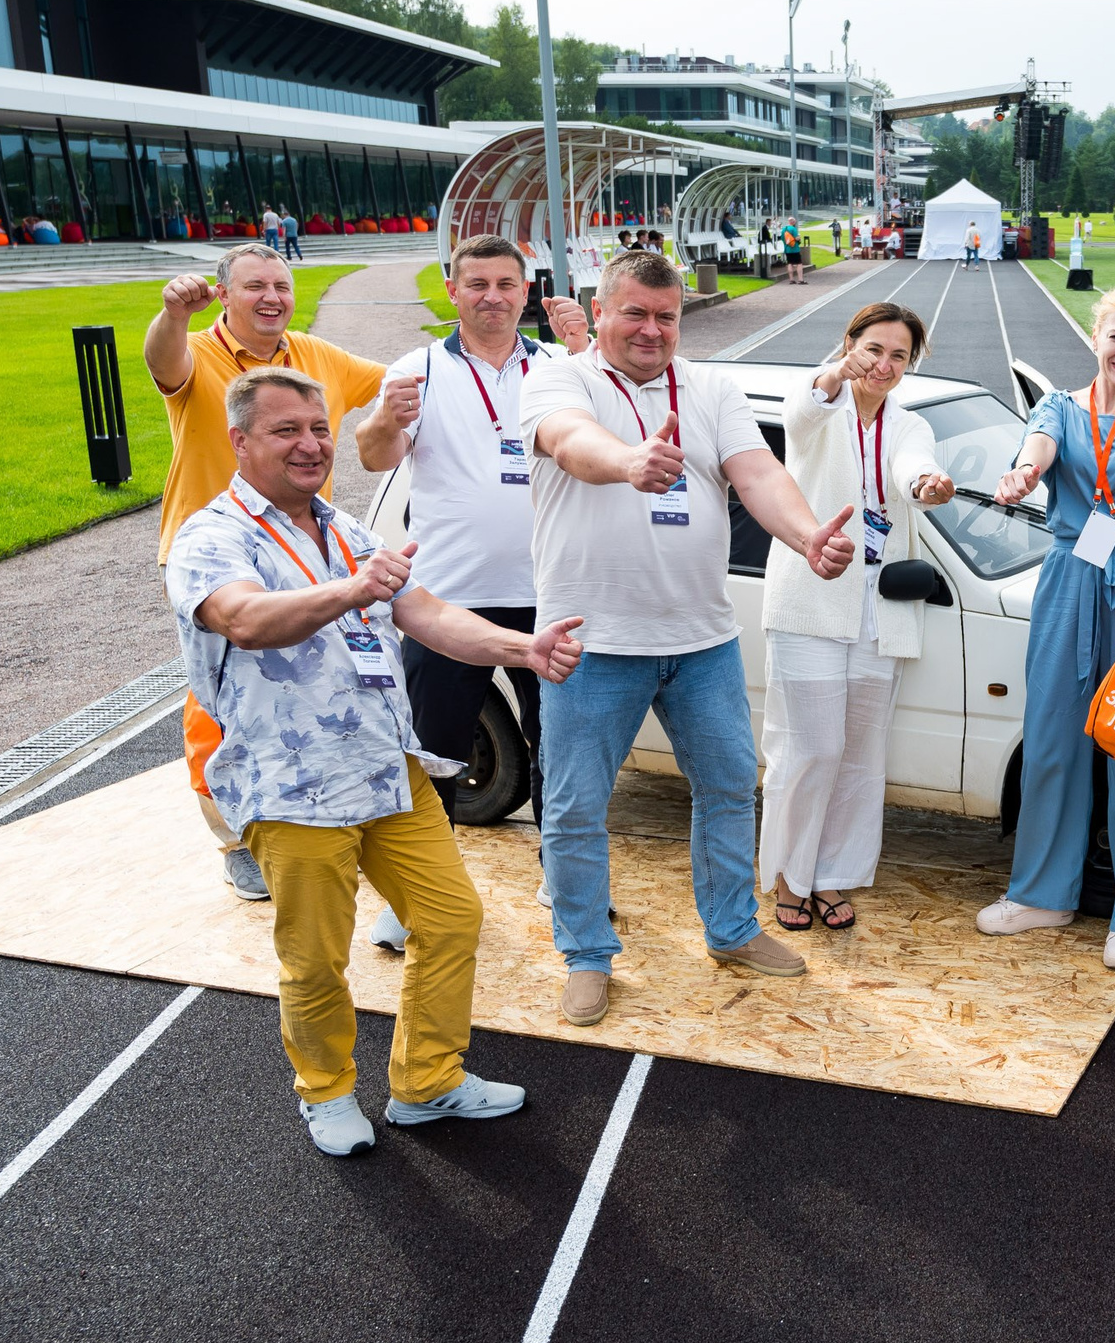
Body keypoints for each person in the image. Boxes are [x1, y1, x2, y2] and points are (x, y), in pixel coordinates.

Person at [167, 366, 585, 1156]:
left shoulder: (347, 531)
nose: (310, 444)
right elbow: (245, 619)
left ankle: (427, 1083)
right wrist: (350, 591)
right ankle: (324, 1092)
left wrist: (522, 648)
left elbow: (426, 613)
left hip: (387, 768)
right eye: (287, 429)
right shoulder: (212, 535)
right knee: (317, 958)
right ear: (241, 441)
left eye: (318, 428)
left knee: (451, 917)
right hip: (294, 788)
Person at [520, 252, 859, 1025]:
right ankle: (585, 952)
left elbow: (759, 473)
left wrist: (807, 535)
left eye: (665, 316)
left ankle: (732, 929)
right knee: (575, 806)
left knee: (731, 785)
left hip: (700, 638)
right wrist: (628, 460)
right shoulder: (558, 380)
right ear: (598, 311)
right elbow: (570, 442)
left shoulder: (710, 387)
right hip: (589, 640)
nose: (651, 329)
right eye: (634, 312)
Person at [356, 236, 588, 948]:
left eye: (505, 283)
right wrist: (385, 420)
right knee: (435, 754)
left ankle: (565, 878)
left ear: (525, 291)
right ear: (453, 291)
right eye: (477, 282)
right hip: (446, 601)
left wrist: (584, 351)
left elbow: (606, 432)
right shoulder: (416, 368)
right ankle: (416, 897)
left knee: (563, 745)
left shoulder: (555, 365)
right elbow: (375, 456)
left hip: (550, 592)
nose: (492, 295)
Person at [144, 244, 386, 904]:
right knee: (220, 709)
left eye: (282, 284)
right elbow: (163, 362)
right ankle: (234, 837)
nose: (272, 296)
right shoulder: (196, 350)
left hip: (306, 550)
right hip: (216, 558)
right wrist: (170, 314)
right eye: (256, 286)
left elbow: (394, 381)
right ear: (225, 294)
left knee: (315, 685)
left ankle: (315, 811)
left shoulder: (315, 354)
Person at [976, 287, 1115, 969]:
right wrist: (1022, 474)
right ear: (1095, 337)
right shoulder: (1059, 409)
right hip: (1071, 573)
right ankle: (1043, 891)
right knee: (1050, 737)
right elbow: (1038, 451)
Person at [758, 303, 954, 931]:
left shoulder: (906, 423)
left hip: (880, 609)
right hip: (810, 600)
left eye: (899, 356)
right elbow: (800, 414)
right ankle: (791, 875)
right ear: (849, 345)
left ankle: (835, 875)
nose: (884, 365)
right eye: (873, 349)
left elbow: (911, 466)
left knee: (861, 752)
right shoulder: (820, 404)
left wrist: (927, 486)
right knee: (810, 748)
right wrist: (834, 376)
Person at [781, 214, 805, 285]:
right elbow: (797, 238)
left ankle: (791, 279)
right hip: (794, 249)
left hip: (787, 249)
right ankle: (800, 279)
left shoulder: (783, 229)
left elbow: (782, 239)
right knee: (799, 263)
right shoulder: (793, 229)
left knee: (790, 263)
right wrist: (799, 238)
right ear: (793, 222)